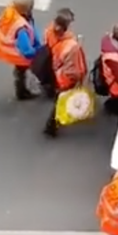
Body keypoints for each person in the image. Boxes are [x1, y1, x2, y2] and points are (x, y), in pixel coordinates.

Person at [0, 0, 42, 101]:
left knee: (20, 72)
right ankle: (22, 92)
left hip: (18, 51)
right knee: (25, 71)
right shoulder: (21, 29)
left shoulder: (13, 12)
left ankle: (21, 89)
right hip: (21, 55)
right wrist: (38, 52)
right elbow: (27, 51)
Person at [41, 8, 88, 138]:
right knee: (60, 101)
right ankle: (51, 125)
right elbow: (74, 70)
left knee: (54, 89)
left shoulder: (49, 31)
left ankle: (49, 91)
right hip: (63, 77)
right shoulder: (71, 46)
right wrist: (79, 79)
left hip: (53, 67)